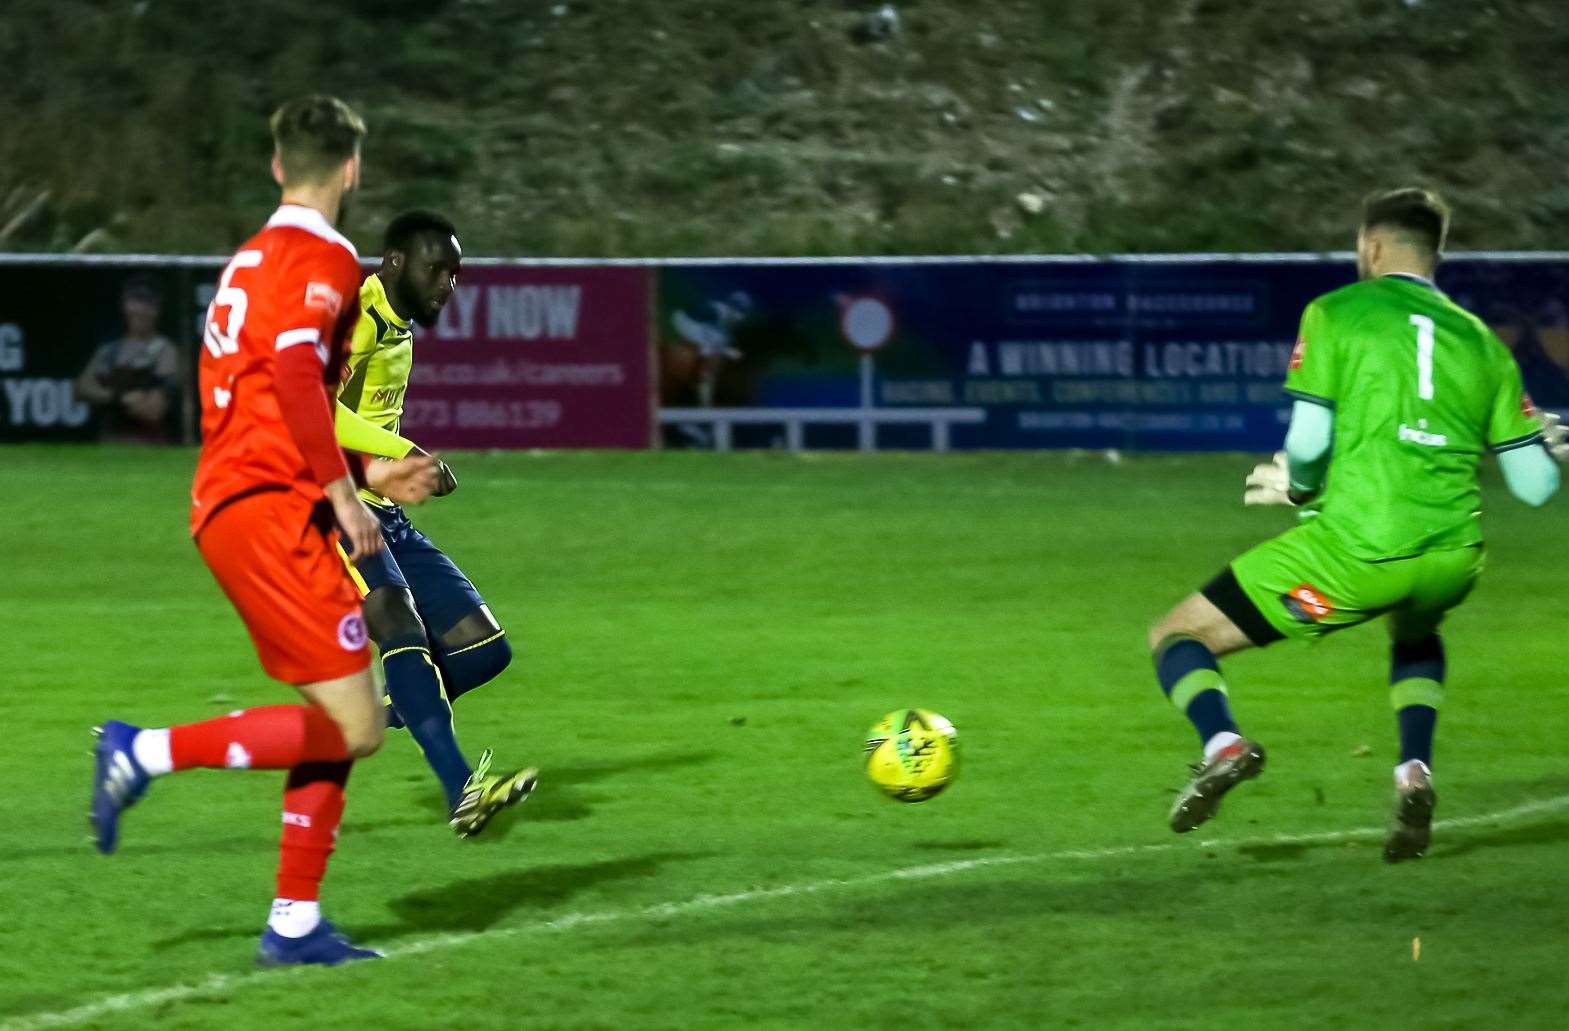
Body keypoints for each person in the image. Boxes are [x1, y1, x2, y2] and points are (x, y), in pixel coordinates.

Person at [88, 95, 441, 966]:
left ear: (277, 165)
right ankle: (145, 752)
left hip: (244, 496)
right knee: (358, 724)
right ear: (351, 170)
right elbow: (289, 370)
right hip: (268, 507)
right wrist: (342, 492)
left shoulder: (250, 258)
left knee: (340, 713)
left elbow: (266, 400)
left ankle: (293, 922)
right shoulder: (321, 255)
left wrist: (366, 473)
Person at [1147, 187, 1566, 863]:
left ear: (1370, 246)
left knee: (1178, 633)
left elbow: (1308, 441)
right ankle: (1412, 771)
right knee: (1415, 628)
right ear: (1436, 253)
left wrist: (1301, 489)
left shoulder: (1336, 311)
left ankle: (1221, 744)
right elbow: (1535, 486)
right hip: (1451, 558)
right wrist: (1533, 440)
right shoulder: (1480, 342)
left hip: (1358, 556)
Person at [334, 209, 536, 837]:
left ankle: (372, 712)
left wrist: (400, 463)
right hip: (336, 503)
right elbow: (317, 415)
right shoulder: (357, 321)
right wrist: (405, 454)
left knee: (484, 649)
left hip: (384, 507)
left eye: (454, 273)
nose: (447, 284)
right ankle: (461, 790)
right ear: (394, 263)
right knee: (398, 620)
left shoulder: (399, 328)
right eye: (435, 269)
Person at [74, 275, 182, 443]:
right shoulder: (110, 350)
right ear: (125, 305)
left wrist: (107, 394)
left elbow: (153, 411)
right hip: (109, 446)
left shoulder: (165, 350)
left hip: (149, 447)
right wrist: (119, 398)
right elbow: (82, 388)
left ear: (157, 309)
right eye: (134, 301)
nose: (140, 310)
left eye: (147, 303)